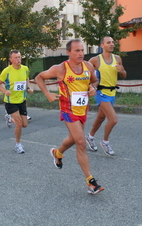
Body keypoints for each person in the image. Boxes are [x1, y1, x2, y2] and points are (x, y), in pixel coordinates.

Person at [35, 39, 104, 195]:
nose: (81, 53)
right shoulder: (60, 69)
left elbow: (95, 80)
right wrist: (47, 94)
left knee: (73, 139)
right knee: (81, 142)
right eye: (77, 51)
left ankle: (57, 153)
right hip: (68, 109)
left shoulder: (88, 66)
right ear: (68, 52)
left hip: (82, 109)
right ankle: (91, 183)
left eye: (82, 50)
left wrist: (93, 88)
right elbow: (39, 77)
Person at [85, 36, 127, 156]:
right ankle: (105, 142)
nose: (112, 44)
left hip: (112, 93)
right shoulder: (95, 60)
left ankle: (90, 137)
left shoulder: (117, 58)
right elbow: (87, 75)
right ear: (102, 45)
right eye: (109, 42)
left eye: (113, 42)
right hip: (100, 92)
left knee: (100, 118)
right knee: (113, 120)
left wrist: (121, 71)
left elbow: (124, 75)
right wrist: (90, 87)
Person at [0, 50, 33, 154]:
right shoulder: (7, 71)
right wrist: (5, 91)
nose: (18, 59)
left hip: (21, 100)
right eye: (16, 58)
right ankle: (18, 145)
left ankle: (9, 118)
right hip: (10, 101)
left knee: (25, 124)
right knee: (19, 124)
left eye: (19, 57)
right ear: (11, 60)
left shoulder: (25, 69)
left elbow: (26, 79)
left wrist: (28, 87)